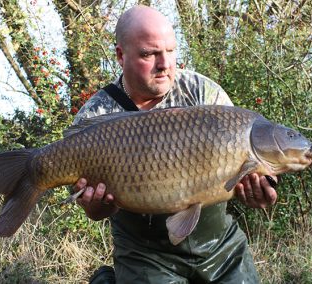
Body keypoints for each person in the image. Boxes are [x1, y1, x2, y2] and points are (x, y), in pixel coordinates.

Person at [73, 5, 277, 283]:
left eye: (170, 51)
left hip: (219, 246)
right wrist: (96, 208)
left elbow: (250, 161)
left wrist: (261, 189)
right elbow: (92, 211)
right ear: (121, 55)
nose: (165, 64)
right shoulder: (97, 115)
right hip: (144, 252)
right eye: (149, 54)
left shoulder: (203, 93)